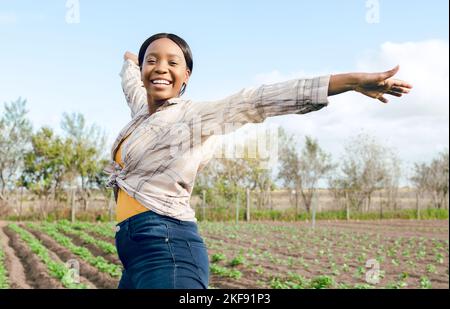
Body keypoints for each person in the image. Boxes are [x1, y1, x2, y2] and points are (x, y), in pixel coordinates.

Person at [106, 33, 412, 289]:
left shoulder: (193, 117)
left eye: (173, 63)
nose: (161, 68)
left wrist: (351, 81)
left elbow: (256, 100)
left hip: (167, 247)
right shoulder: (141, 114)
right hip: (133, 254)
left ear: (186, 76)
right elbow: (131, 83)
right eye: (153, 60)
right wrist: (130, 61)